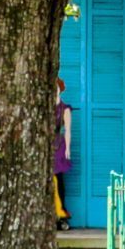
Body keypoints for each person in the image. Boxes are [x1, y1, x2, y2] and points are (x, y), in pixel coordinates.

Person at [53, 77, 73, 229]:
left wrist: (67, 148)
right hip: (46, 144)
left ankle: (60, 212)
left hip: (58, 146)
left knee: (58, 179)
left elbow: (68, 131)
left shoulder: (65, 109)